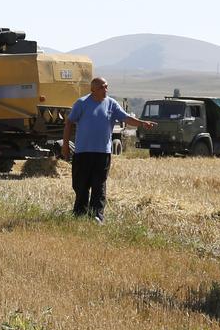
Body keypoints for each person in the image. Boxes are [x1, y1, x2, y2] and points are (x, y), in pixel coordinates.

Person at [62, 77, 155, 223]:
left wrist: (142, 123)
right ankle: (80, 213)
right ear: (93, 90)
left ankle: (97, 215)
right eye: (101, 87)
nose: (105, 90)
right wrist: (65, 145)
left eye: (106, 87)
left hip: (102, 153)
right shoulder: (81, 103)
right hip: (83, 152)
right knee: (80, 184)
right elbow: (69, 123)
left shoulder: (111, 104)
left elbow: (126, 118)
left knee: (99, 184)